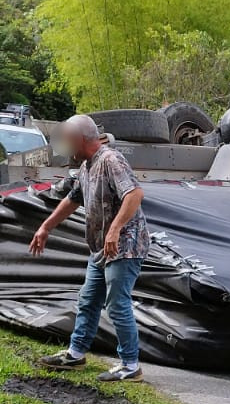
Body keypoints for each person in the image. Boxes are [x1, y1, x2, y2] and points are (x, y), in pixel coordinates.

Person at [30, 114, 149, 382]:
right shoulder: (86, 167)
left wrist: (116, 229)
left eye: (68, 141)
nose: (65, 147)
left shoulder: (111, 160)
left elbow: (134, 195)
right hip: (101, 248)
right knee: (88, 299)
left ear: (79, 139)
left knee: (117, 305)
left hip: (123, 245)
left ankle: (131, 366)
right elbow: (73, 200)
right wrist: (46, 227)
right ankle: (76, 354)